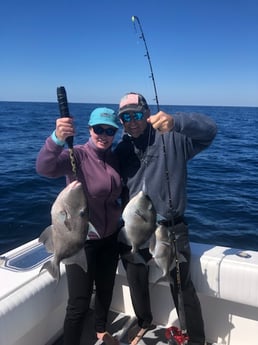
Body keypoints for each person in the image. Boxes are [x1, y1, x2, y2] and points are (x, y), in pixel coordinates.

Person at [115, 92, 217, 345]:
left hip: (170, 229)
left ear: (148, 113)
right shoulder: (122, 149)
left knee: (182, 286)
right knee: (136, 278)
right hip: (135, 228)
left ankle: (195, 339)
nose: (132, 121)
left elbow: (210, 131)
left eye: (137, 114)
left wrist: (177, 122)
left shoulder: (174, 139)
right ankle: (143, 322)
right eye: (125, 117)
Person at [36, 107, 122, 345]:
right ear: (89, 129)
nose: (103, 135)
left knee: (105, 290)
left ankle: (101, 331)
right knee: (79, 303)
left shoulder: (115, 157)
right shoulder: (78, 155)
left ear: (115, 133)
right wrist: (57, 139)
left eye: (110, 130)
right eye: (98, 129)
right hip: (80, 242)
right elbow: (44, 167)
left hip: (111, 237)